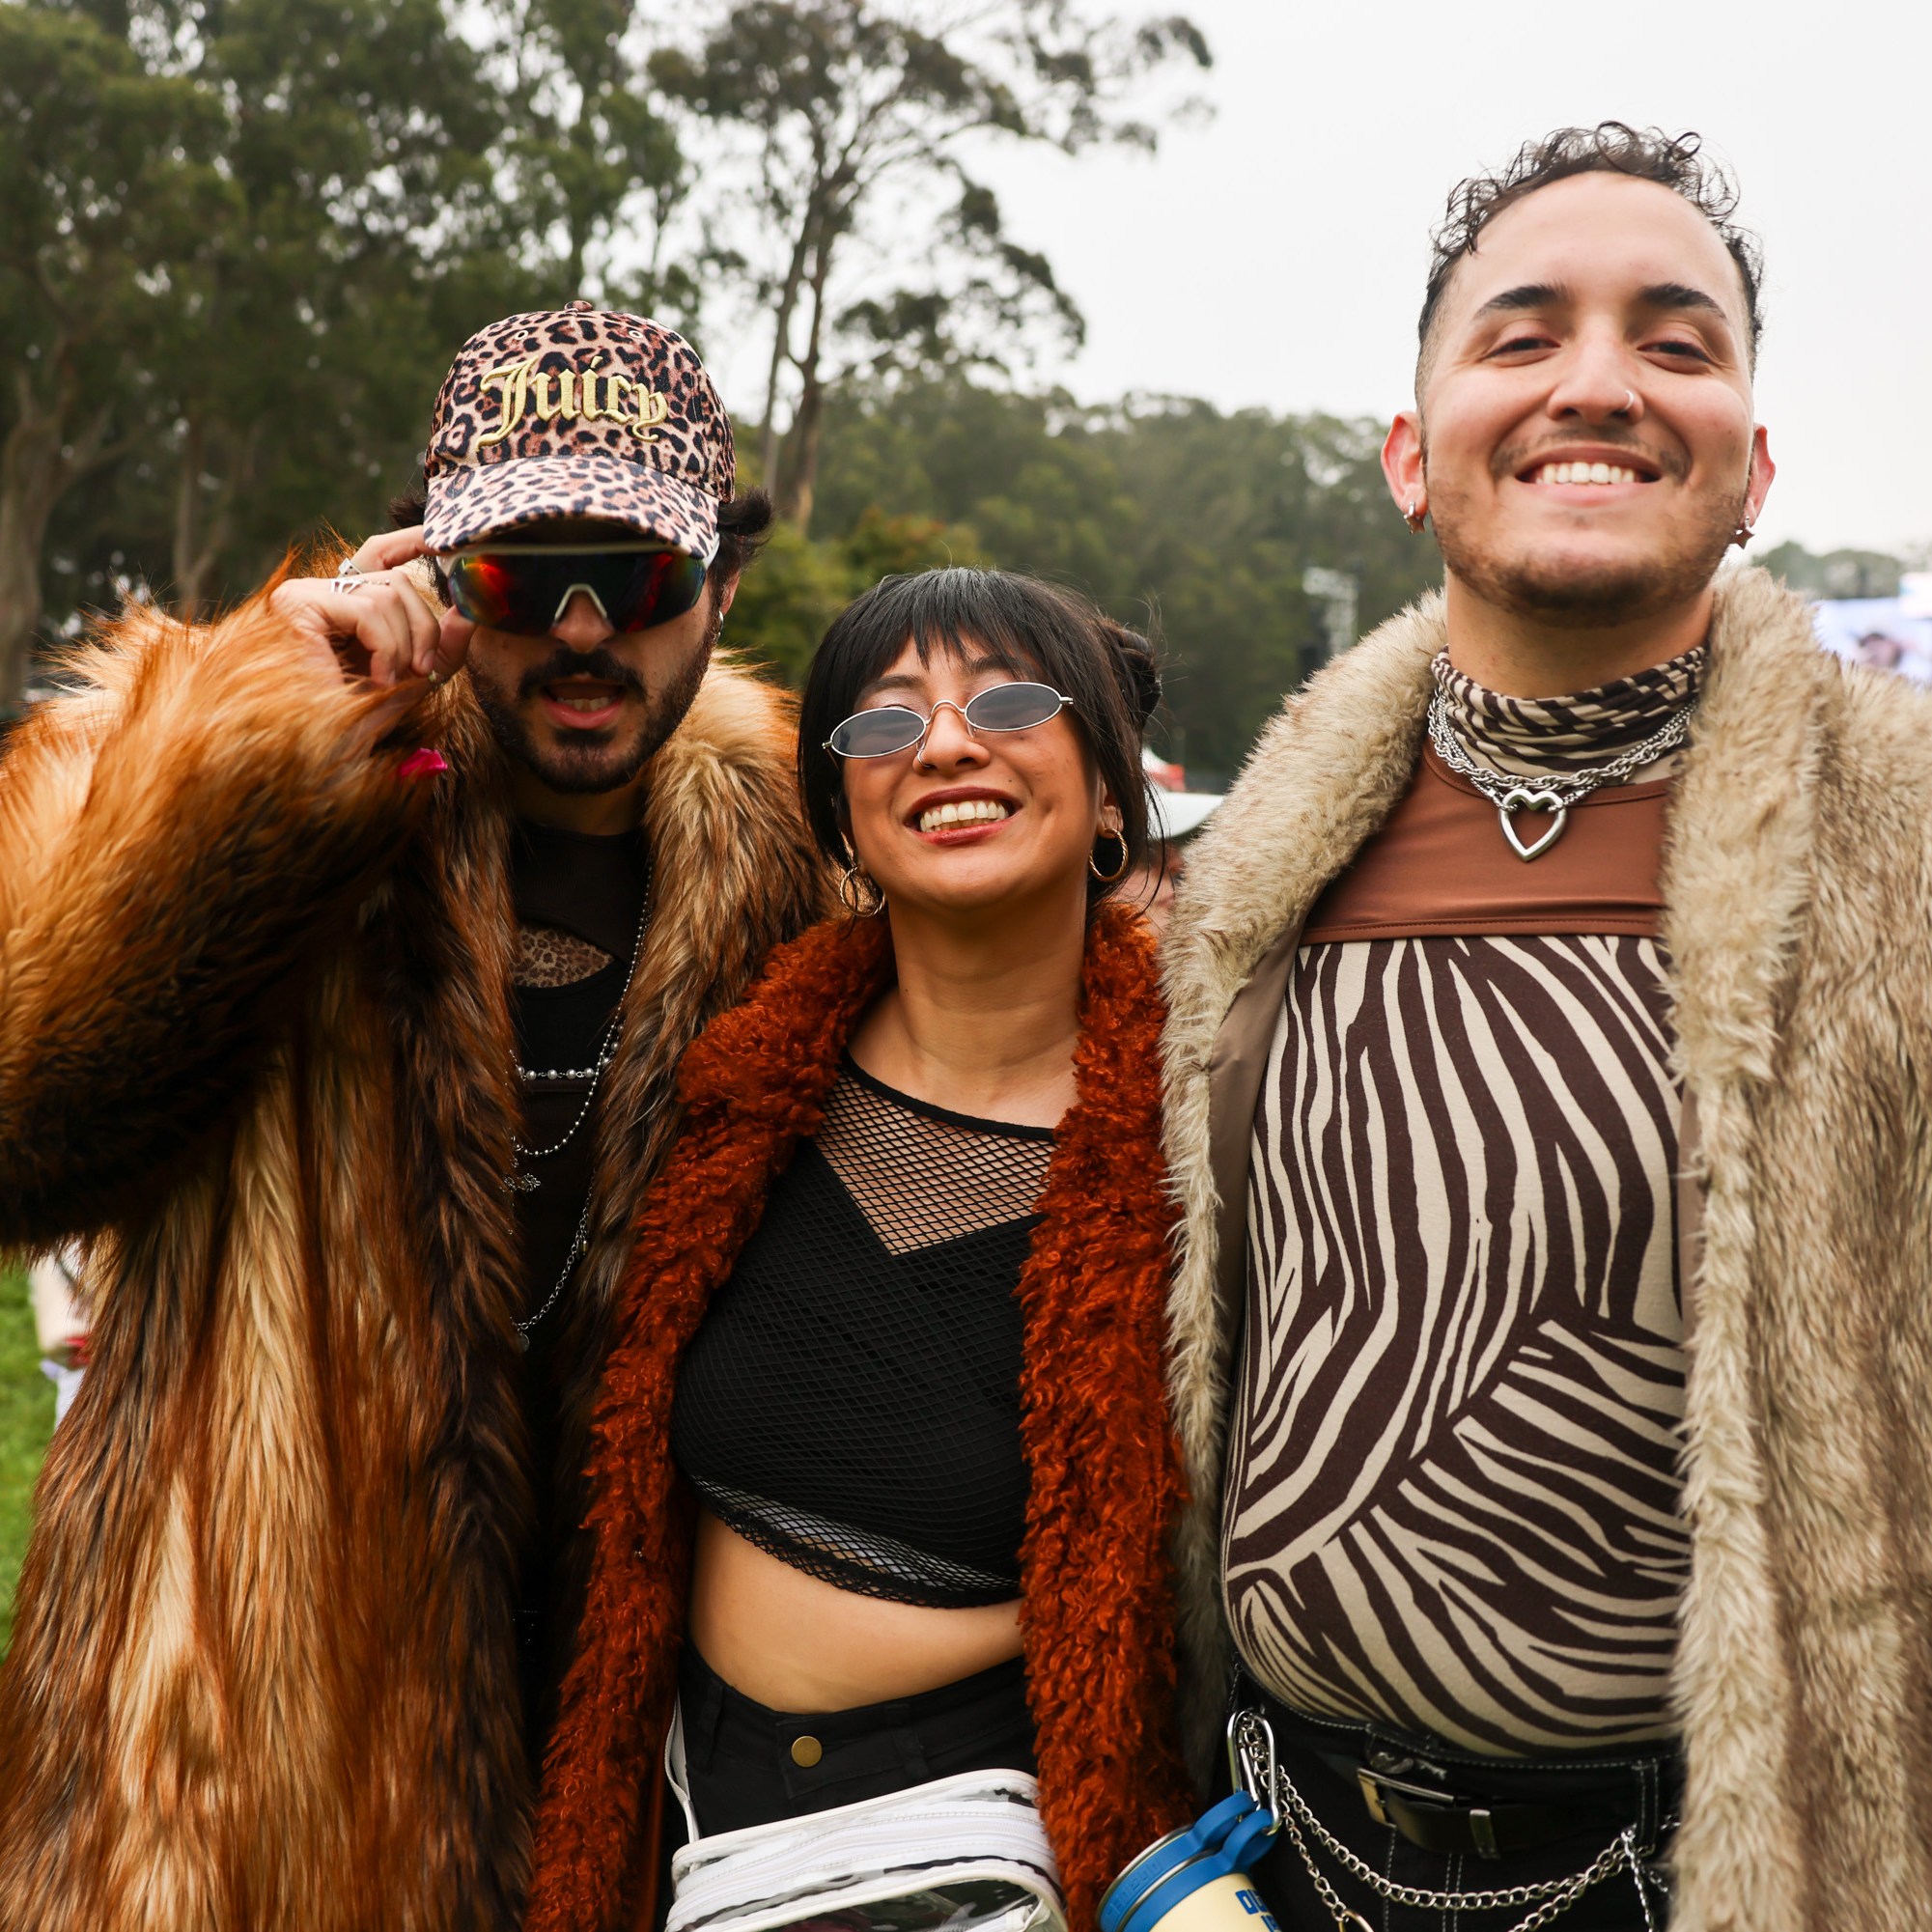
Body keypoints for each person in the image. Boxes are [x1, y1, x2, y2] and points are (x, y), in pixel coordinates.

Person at [1161, 126, 1932, 1931]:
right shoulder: (1241, 878)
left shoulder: (1899, 852)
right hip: (1273, 1850)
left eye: (1676, 339)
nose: (1598, 381)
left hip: (1731, 1875)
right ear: (1411, 458)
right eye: (1521, 336)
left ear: (1754, 466)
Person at [0, 304, 825, 1932]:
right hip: (239, 1789)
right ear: (435, 575)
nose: (583, 629)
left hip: (642, 1783)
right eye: (523, 577)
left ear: (716, 591)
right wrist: (248, 747)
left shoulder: (803, 867)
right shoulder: (206, 778)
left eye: (637, 577)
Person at [518, 569, 1191, 1932]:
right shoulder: (734, 1092)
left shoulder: (1205, 1143)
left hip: (989, 1834)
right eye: (884, 726)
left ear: (1109, 790)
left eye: (1006, 697)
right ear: (838, 816)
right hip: (689, 1813)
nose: (945, 744)